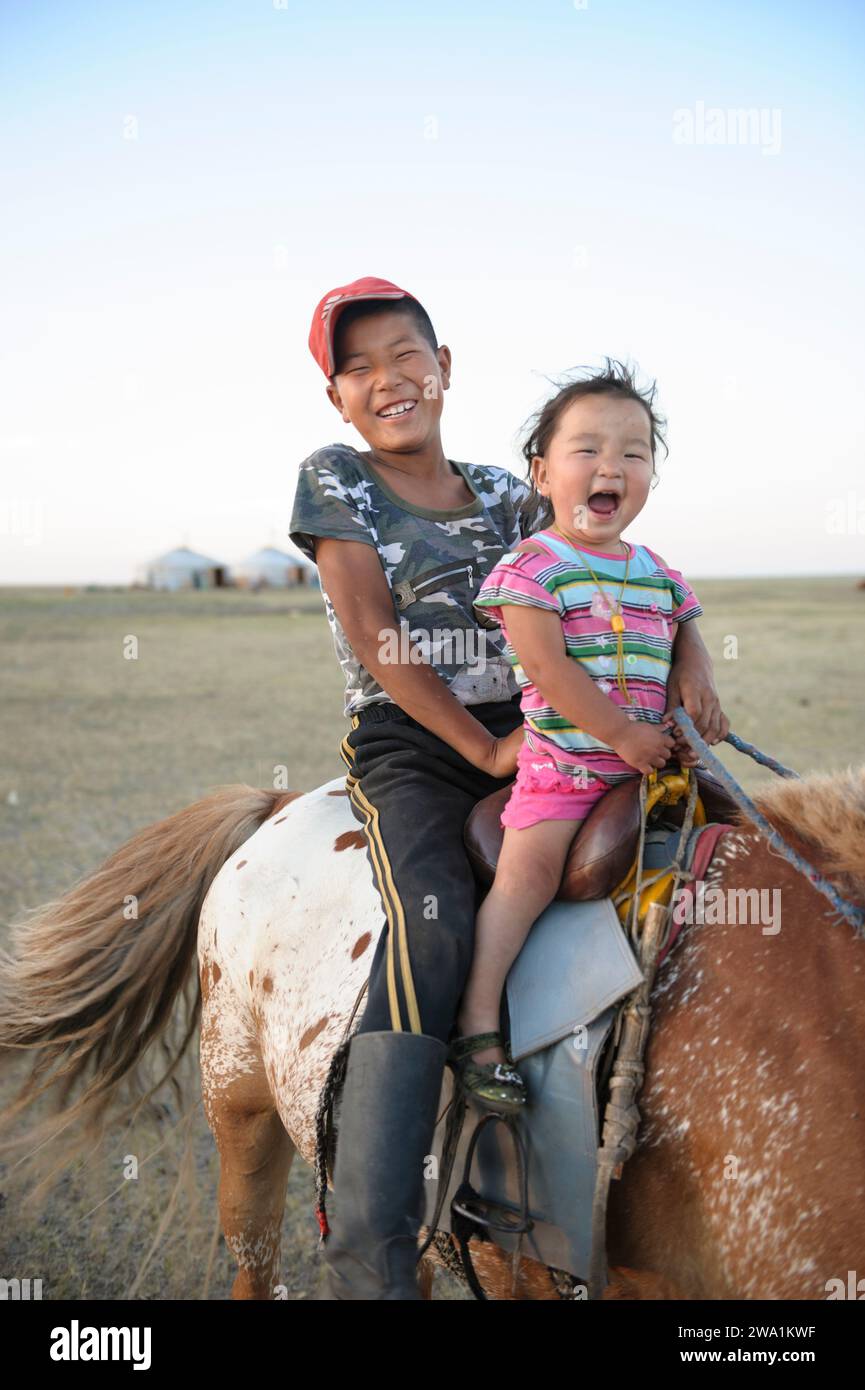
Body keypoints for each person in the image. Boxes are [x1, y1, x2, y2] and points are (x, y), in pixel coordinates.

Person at [288, 278, 729, 1299]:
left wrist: (679, 664)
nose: (387, 376)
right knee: (434, 917)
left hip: (552, 729)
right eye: (356, 366)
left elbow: (613, 564)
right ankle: (372, 1256)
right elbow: (375, 634)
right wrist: (483, 751)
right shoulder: (338, 479)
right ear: (338, 399)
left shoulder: (506, 490)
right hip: (415, 739)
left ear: (443, 366)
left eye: (406, 352)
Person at [452, 361, 717, 1110]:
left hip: (652, 763)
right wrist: (620, 735)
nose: (611, 467)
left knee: (735, 841)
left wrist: (696, 685)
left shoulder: (655, 569)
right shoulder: (532, 567)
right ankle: (476, 1022)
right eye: (587, 450)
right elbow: (549, 669)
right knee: (526, 878)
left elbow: (686, 627)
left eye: (633, 453)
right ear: (541, 473)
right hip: (567, 767)